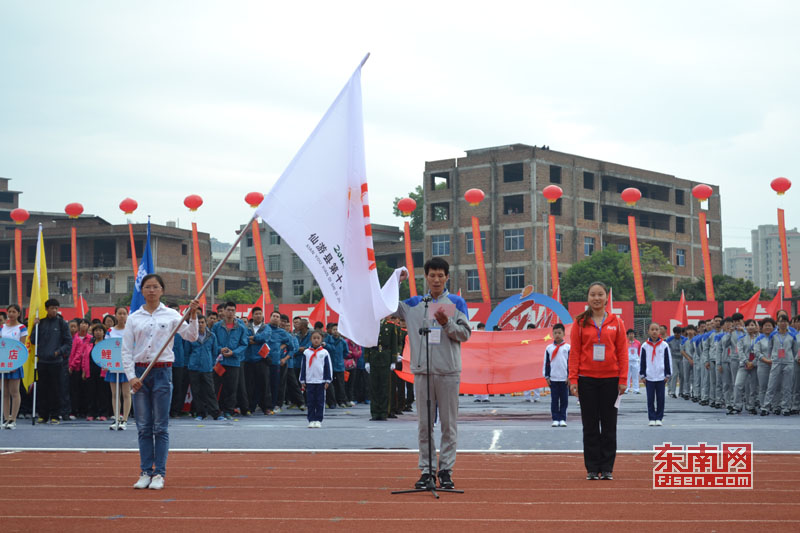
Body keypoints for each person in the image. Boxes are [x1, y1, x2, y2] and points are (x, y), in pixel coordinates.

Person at [396, 258, 471, 490]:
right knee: (424, 425)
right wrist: (395, 283)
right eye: (432, 275)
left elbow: (465, 334)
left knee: (449, 424)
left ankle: (446, 470)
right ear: (425, 277)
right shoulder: (414, 303)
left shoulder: (457, 302)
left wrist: (447, 323)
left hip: (448, 371)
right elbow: (385, 305)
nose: (436, 279)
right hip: (423, 372)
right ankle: (427, 471)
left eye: (440, 275)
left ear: (447, 277)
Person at [123, 274, 199, 490]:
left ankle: (159, 474)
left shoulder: (172, 315)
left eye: (155, 287)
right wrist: (132, 377)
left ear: (162, 290)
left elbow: (191, 337)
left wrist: (192, 315)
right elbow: (126, 350)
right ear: (142, 291)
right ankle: (145, 471)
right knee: (143, 426)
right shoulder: (134, 317)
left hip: (163, 373)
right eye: (147, 287)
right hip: (140, 374)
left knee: (160, 426)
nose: (151, 291)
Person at [568, 281, 627, 481]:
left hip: (611, 380)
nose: (596, 298)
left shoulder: (616, 322)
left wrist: (623, 379)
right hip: (587, 380)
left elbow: (622, 353)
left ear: (606, 298)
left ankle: (607, 467)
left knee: (609, 425)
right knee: (590, 425)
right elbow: (575, 352)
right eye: (592, 294)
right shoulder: (579, 323)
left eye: (600, 294)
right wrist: (573, 379)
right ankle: (592, 468)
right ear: (588, 298)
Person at [30, 298, 72, 424]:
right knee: (42, 389)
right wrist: (34, 326)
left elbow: (68, 342)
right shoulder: (41, 323)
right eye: (52, 308)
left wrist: (58, 351)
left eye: (56, 308)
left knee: (56, 389)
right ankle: (43, 415)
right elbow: (33, 340)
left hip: (56, 362)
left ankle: (55, 415)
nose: (54, 310)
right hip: (42, 361)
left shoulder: (62, 323)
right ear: (46, 309)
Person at [211, 302, 249, 419]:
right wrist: (219, 349)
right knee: (215, 386)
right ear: (224, 311)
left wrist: (234, 352)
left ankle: (228, 411)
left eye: (233, 310)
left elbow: (244, 344)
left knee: (231, 387)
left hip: (234, 361)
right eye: (228, 310)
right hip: (219, 361)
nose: (230, 312)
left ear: (235, 312)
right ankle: (215, 410)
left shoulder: (241, 327)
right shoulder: (217, 326)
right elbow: (212, 342)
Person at [186, 315, 222, 420]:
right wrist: (190, 363)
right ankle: (201, 413)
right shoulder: (191, 336)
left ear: (206, 323)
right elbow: (187, 352)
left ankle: (216, 413)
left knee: (210, 391)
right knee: (196, 392)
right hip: (194, 368)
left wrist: (211, 363)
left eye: (202, 322)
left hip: (207, 368)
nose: (200, 324)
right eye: (198, 322)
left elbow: (215, 352)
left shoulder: (212, 336)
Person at [761, 314, 796, 416]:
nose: (783, 323)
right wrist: (772, 358)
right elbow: (770, 348)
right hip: (776, 362)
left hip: (788, 363)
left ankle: (786, 408)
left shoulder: (792, 335)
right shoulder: (773, 335)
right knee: (771, 385)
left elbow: (794, 350)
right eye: (781, 321)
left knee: (787, 387)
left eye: (785, 321)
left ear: (788, 323)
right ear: (777, 323)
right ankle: (766, 407)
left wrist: (791, 359)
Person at [639, 322, 671, 426]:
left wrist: (668, 374)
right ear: (648, 331)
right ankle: (652, 418)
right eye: (652, 329)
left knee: (661, 398)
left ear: (659, 331)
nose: (654, 332)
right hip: (649, 376)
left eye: (656, 329)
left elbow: (667, 360)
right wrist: (642, 375)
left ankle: (659, 418)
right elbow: (642, 361)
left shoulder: (664, 345)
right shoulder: (644, 346)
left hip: (661, 376)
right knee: (650, 398)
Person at [365, 318, 397, 421]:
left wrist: (393, 360)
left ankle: (383, 412)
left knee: (384, 387)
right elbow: (367, 343)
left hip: (385, 357)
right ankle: (375, 412)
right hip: (374, 357)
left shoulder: (391, 326)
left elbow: (394, 344)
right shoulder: (370, 325)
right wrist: (367, 360)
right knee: (374, 386)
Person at [243, 307, 272, 416]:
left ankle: (266, 407)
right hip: (249, 360)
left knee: (264, 384)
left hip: (262, 359)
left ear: (263, 315)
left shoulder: (267, 327)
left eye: (260, 313)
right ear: (252, 315)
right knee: (249, 385)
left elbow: (265, 338)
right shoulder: (246, 327)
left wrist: (253, 339)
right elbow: (244, 339)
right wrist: (256, 339)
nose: (258, 315)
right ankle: (250, 407)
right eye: (256, 314)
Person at [299, 330, 332, 428]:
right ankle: (311, 419)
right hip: (310, 381)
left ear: (321, 339)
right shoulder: (306, 352)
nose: (316, 340)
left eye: (318, 338)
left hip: (320, 381)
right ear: (311, 339)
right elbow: (303, 367)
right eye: (314, 338)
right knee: (310, 401)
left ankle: (318, 419)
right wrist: (302, 380)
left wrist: (327, 380)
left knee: (320, 401)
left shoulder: (324, 352)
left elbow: (328, 367)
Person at [1, 304, 27, 429]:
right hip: (3, 362)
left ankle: (13, 419)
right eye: (9, 311)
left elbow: (22, 347)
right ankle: (6, 418)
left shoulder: (21, 328)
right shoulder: (2, 327)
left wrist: (17, 362)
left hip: (15, 361)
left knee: (14, 391)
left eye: (14, 312)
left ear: (18, 314)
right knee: (4, 392)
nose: (11, 314)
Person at [106, 306, 131, 430]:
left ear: (127, 315)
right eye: (119, 313)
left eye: (124, 313)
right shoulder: (110, 331)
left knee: (126, 393)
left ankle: (125, 420)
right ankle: (116, 418)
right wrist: (106, 363)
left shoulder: (130, 330)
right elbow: (106, 348)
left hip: (126, 366)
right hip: (113, 366)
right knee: (115, 394)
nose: (122, 316)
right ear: (115, 315)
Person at [543, 323, 570, 427]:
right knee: (554, 400)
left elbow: (570, 363)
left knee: (564, 400)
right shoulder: (549, 348)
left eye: (559, 332)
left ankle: (562, 418)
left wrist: (569, 376)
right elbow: (546, 363)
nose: (557, 335)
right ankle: (555, 418)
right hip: (553, 378)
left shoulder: (567, 347)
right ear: (552, 334)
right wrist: (547, 376)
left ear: (564, 333)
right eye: (555, 333)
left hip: (564, 378)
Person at [732, 319, 759, 415]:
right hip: (744, 365)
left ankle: (751, 406)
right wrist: (747, 362)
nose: (751, 327)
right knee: (738, 385)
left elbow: (761, 351)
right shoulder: (741, 338)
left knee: (753, 387)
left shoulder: (759, 338)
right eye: (749, 325)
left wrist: (754, 362)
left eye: (753, 325)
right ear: (746, 327)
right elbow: (740, 351)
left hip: (755, 365)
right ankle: (737, 406)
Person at [86, 324, 111, 422]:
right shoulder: (89, 344)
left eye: (100, 330)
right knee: (91, 393)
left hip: (103, 372)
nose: (98, 332)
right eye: (96, 330)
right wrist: (84, 370)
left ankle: (103, 413)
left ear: (104, 333)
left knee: (103, 393)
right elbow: (85, 358)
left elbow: (109, 358)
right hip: (91, 371)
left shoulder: (106, 344)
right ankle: (91, 413)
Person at [68, 319, 92, 419]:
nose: (83, 325)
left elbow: (80, 354)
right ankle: (74, 410)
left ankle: (84, 411)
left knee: (85, 391)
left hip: (85, 367)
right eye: (81, 323)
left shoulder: (91, 338)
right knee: (74, 390)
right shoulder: (73, 338)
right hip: (74, 368)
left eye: (85, 324)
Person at [755, 318, 775, 410]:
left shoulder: (776, 337)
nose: (767, 327)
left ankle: (774, 405)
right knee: (763, 387)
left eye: (769, 325)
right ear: (762, 328)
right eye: (765, 326)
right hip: (763, 365)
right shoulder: (759, 338)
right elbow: (757, 352)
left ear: (773, 327)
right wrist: (766, 361)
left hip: (775, 365)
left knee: (774, 387)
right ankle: (763, 405)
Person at [665, 326, 684, 398]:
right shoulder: (669, 339)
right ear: (674, 333)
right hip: (673, 358)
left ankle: (681, 391)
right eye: (676, 334)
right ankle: (672, 391)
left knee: (682, 375)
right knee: (674, 374)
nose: (677, 335)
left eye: (679, 334)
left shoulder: (683, 339)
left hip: (682, 358)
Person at [681, 324, 697, 401]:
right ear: (686, 331)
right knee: (686, 376)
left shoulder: (696, 339)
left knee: (694, 377)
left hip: (695, 360)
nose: (690, 332)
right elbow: (682, 351)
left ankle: (694, 392)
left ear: (694, 331)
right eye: (688, 330)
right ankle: (687, 392)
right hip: (686, 360)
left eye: (692, 330)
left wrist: (694, 359)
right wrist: (689, 359)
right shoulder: (684, 340)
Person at [625, 329, 641, 394]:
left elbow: (639, 352)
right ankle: (626, 389)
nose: (631, 335)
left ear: (634, 335)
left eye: (632, 334)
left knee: (635, 376)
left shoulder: (638, 343)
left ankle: (636, 389)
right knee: (627, 376)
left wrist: (639, 359)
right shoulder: (625, 342)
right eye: (630, 334)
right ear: (627, 335)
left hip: (635, 361)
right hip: (627, 361)